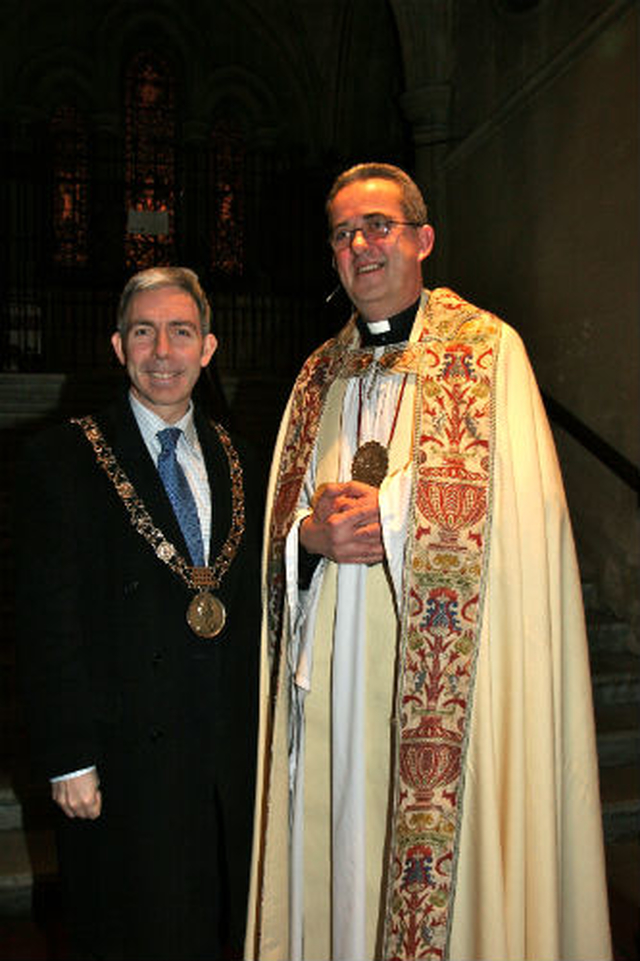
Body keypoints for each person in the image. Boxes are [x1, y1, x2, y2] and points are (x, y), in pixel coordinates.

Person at [245, 163, 612, 961]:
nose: (361, 246)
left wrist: (397, 510)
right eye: (343, 233)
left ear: (423, 238)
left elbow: (525, 516)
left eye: (378, 225)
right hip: (337, 684)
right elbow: (281, 521)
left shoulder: (487, 354)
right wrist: (307, 540)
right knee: (344, 856)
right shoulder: (317, 377)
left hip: (452, 698)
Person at [16, 266, 261, 960]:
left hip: (218, 764)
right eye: (144, 332)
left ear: (207, 348)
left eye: (180, 333)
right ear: (119, 347)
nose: (162, 351)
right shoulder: (61, 457)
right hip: (120, 767)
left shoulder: (239, 457)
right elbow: (46, 625)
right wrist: (68, 758)